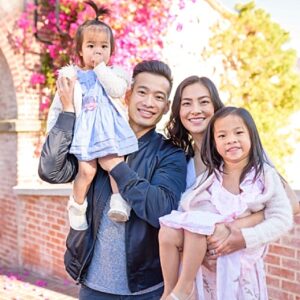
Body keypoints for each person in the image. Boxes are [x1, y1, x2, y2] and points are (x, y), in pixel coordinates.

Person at [38, 59, 187, 299]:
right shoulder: (94, 139)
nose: (149, 103)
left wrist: (117, 167)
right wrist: (67, 114)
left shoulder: (169, 153)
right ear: (127, 95)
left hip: (145, 290)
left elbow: (163, 210)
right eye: (142, 92)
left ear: (167, 106)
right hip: (93, 286)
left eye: (159, 97)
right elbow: (50, 170)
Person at [159, 106, 293, 300]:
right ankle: (173, 291)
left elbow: (282, 218)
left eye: (238, 132)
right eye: (222, 136)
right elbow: (189, 209)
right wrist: (201, 248)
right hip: (209, 267)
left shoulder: (265, 176)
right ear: (214, 143)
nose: (231, 139)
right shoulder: (211, 178)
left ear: (252, 136)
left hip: (241, 269)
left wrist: (245, 237)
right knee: (170, 230)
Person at [47, 0, 137, 224]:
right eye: (91, 46)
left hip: (109, 131)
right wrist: (52, 136)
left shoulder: (116, 73)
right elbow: (58, 108)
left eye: (104, 46)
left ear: (111, 50)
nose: (98, 50)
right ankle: (77, 205)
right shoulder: (72, 77)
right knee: (86, 171)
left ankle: (119, 201)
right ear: (80, 50)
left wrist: (100, 68)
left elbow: (116, 90)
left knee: (115, 164)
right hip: (85, 134)